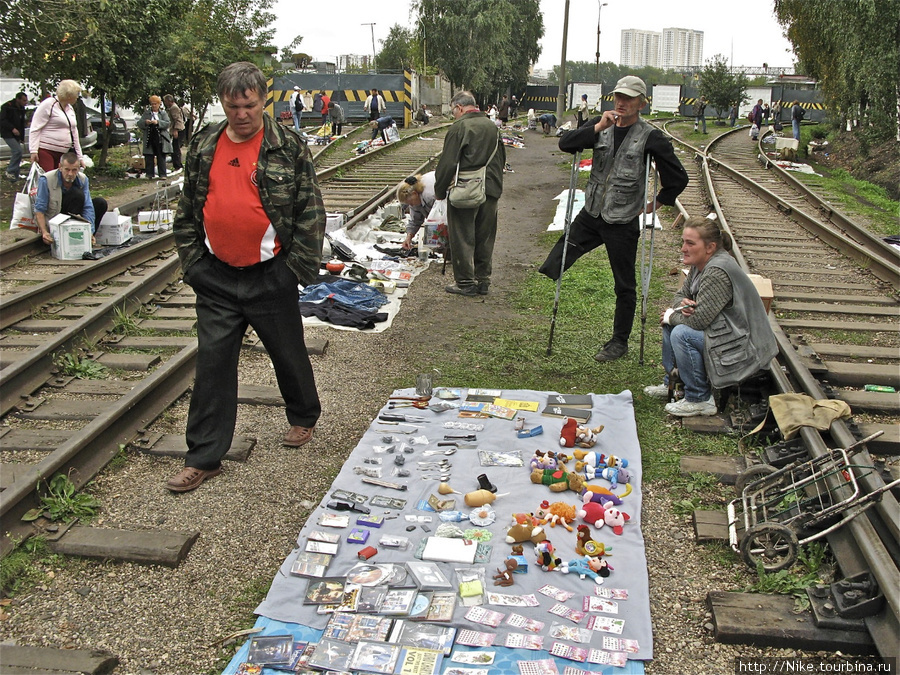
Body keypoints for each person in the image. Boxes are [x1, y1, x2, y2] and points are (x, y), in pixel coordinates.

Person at [168, 61, 324, 493]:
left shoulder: (287, 145)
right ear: (223, 103)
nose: (241, 114)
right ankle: (203, 456)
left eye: (249, 105)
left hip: (270, 275)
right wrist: (193, 264)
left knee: (288, 352)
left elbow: (310, 210)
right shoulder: (203, 145)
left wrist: (295, 269)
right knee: (213, 366)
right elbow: (186, 210)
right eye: (233, 106)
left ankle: (303, 415)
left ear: (262, 100)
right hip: (216, 277)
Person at [539, 75, 689, 362]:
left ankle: (619, 342)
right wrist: (597, 127)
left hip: (622, 219)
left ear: (641, 103)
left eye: (629, 98)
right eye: (619, 96)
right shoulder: (600, 123)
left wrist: (656, 203)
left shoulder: (650, 136)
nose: (622, 102)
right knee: (558, 256)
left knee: (624, 283)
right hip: (592, 212)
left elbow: (678, 178)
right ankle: (550, 280)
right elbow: (565, 144)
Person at [643, 217, 777, 417]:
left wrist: (674, 316)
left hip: (745, 346)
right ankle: (673, 382)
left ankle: (700, 399)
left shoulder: (716, 271)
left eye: (690, 243)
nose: (683, 248)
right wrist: (681, 305)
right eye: (683, 242)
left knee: (681, 333)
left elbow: (699, 321)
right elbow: (680, 295)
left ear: (710, 247)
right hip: (728, 333)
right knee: (672, 324)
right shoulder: (700, 265)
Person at [433, 90, 505, 296]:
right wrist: (495, 186)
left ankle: (465, 282)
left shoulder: (460, 127)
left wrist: (440, 190)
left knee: (462, 235)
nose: (454, 115)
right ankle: (483, 280)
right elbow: (501, 157)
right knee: (485, 236)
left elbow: (447, 164)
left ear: (460, 107)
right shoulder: (492, 126)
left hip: (466, 189)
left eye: (453, 110)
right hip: (490, 188)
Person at [33, 151, 107, 245]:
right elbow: (39, 209)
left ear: (79, 169)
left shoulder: (83, 179)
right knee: (77, 194)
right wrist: (44, 232)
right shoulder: (46, 179)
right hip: (55, 217)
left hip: (73, 212)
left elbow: (87, 207)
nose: (70, 174)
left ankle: (86, 237)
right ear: (60, 167)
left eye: (74, 170)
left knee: (100, 203)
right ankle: (65, 236)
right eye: (67, 170)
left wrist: (90, 231)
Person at [29, 80, 84, 171]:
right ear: (69, 95)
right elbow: (35, 127)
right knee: (49, 179)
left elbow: (74, 132)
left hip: (63, 153)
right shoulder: (49, 104)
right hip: (46, 150)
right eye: (76, 94)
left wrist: (80, 157)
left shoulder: (70, 108)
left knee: (59, 181)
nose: (77, 97)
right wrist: (33, 150)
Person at [397, 172, 436, 251]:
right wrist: (409, 237)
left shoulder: (430, 196)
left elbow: (439, 217)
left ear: (414, 194)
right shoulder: (415, 199)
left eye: (410, 203)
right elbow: (415, 220)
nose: (411, 205)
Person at [137, 95, 172, 179]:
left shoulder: (163, 113)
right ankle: (149, 174)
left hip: (160, 138)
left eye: (155, 104)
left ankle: (162, 174)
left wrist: (158, 122)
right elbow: (139, 123)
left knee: (161, 156)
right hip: (150, 137)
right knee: (149, 156)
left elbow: (167, 123)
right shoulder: (147, 113)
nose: (154, 106)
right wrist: (146, 122)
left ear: (159, 104)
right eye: (152, 104)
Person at [1, 92, 28, 181]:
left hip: (17, 134)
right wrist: (12, 128)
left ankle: (14, 177)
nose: (25, 102)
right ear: (18, 99)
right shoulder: (7, 106)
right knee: (17, 151)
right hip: (7, 133)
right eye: (24, 100)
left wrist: (22, 137)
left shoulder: (21, 108)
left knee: (18, 155)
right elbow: (2, 120)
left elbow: (22, 123)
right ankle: (10, 171)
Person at [163, 95, 185, 173]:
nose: (165, 103)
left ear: (169, 101)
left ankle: (178, 165)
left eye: (165, 101)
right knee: (174, 147)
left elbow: (177, 120)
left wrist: (176, 130)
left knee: (175, 148)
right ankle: (177, 164)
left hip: (178, 130)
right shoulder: (172, 107)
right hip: (177, 129)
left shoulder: (174, 108)